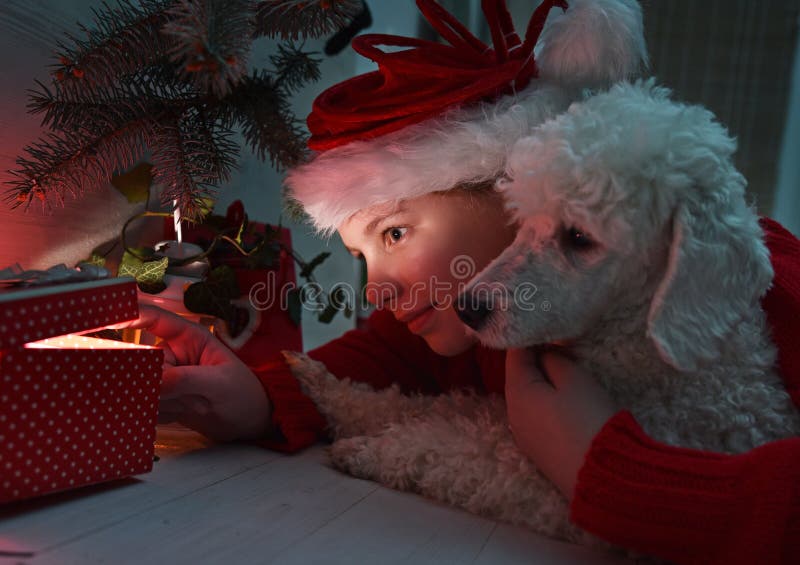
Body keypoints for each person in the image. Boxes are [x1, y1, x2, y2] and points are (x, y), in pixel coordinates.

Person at [120, 1, 800, 563]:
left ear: (515, 186)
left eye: (395, 234)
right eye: (362, 255)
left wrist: (603, 470)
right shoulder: (466, 312)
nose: (376, 289)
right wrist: (258, 396)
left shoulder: (758, 282)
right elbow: (368, 364)